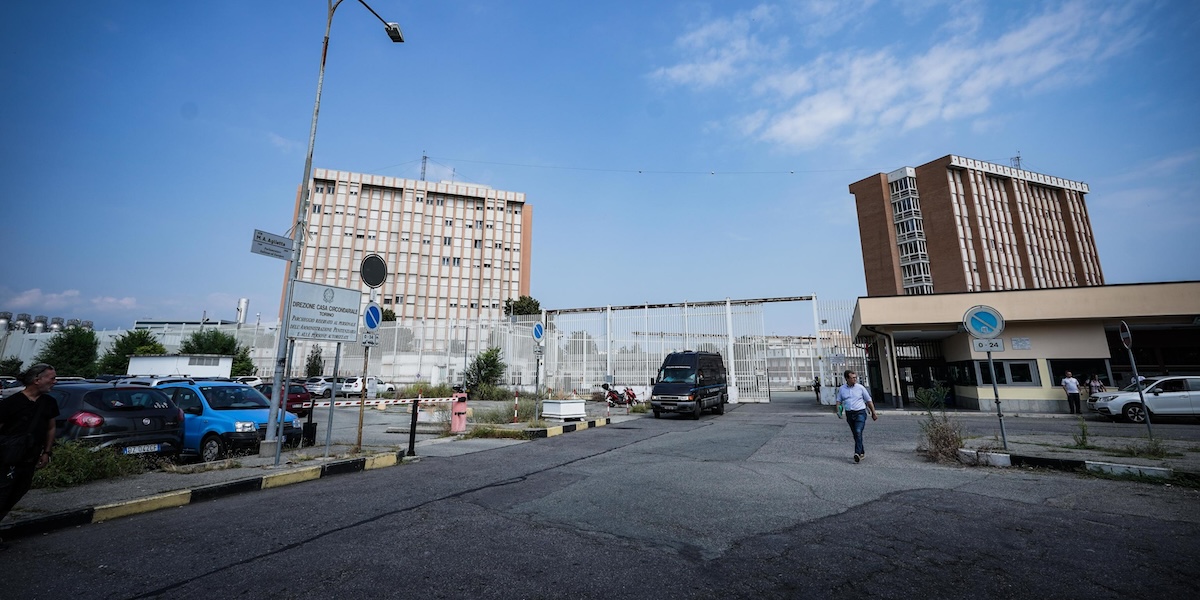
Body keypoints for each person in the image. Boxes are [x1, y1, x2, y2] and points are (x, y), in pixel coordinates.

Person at [0, 363, 60, 528]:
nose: (55, 381)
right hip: (7, 458)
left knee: (17, 492)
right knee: (2, 493)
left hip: (30, 457)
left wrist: (47, 452)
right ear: (37, 380)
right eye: (52, 378)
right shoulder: (11, 403)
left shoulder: (49, 403)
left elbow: (51, 427)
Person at [835, 369, 877, 463]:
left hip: (860, 412)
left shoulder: (860, 388)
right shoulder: (842, 389)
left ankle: (857, 453)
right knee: (855, 434)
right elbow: (838, 401)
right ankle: (861, 452)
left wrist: (873, 412)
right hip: (850, 414)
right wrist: (838, 411)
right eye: (852, 378)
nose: (855, 379)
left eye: (855, 377)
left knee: (858, 431)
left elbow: (868, 400)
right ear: (847, 378)